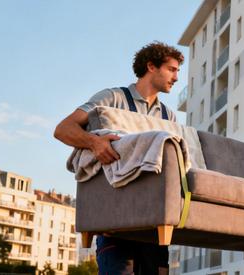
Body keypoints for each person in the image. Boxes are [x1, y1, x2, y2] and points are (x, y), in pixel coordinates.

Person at [53, 41, 182, 275]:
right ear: (151, 66)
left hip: (153, 226)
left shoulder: (168, 116)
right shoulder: (112, 98)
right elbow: (63, 129)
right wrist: (94, 142)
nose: (176, 77)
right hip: (115, 223)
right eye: (171, 69)